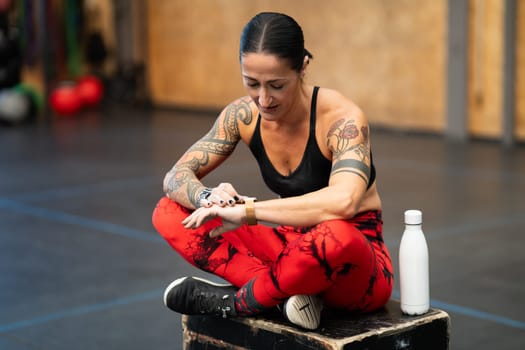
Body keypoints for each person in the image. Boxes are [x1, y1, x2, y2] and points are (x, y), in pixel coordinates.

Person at [152, 12, 393, 330]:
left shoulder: (342, 119)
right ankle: (284, 299)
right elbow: (175, 176)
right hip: (289, 248)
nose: (263, 99)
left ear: (303, 67)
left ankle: (240, 302)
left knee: (336, 235)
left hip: (354, 268)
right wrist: (207, 197)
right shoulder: (242, 115)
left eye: (276, 86)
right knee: (169, 212)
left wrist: (247, 211)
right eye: (252, 84)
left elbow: (344, 202)